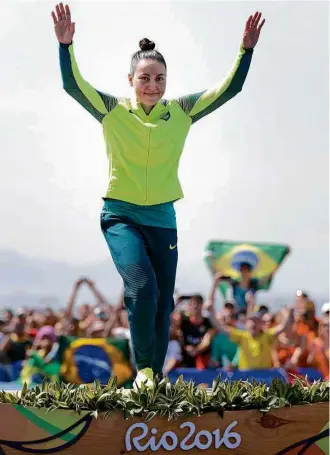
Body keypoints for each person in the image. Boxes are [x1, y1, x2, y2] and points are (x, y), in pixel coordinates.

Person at [51, 3, 265, 388]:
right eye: (145, 78)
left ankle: (155, 373)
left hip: (163, 220)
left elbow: (229, 89)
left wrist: (245, 51)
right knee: (141, 287)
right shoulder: (112, 110)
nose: (153, 85)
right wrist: (66, 48)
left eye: (160, 79)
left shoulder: (181, 111)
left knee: (164, 303)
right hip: (121, 216)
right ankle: (145, 372)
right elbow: (73, 86)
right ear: (130, 79)